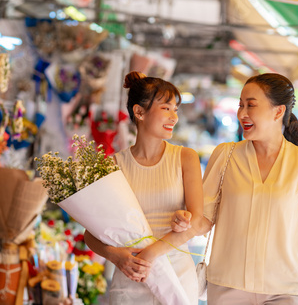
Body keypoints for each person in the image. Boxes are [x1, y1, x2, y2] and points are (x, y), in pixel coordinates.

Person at [175, 73, 298, 305]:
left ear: (278, 111)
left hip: (288, 290)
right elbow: (205, 218)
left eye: (251, 105)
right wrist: (183, 223)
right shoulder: (226, 155)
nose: (241, 113)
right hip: (228, 286)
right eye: (240, 105)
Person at [84, 71, 211, 304]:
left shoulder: (185, 157)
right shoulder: (112, 165)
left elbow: (197, 221)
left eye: (176, 109)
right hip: (131, 275)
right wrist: (116, 256)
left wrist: (151, 253)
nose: (174, 117)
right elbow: (90, 234)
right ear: (139, 112)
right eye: (166, 108)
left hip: (176, 275)